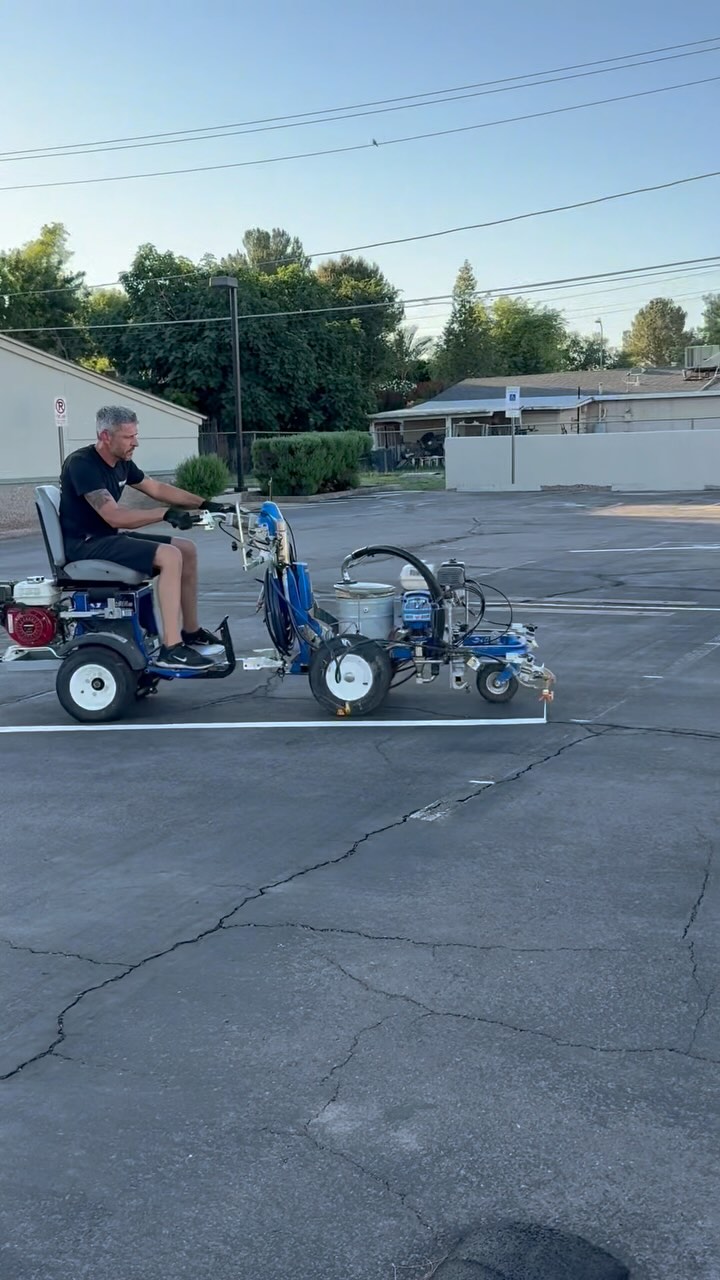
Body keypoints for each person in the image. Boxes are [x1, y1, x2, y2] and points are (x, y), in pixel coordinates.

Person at [59, 405, 227, 670]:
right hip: (85, 545)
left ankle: (190, 632)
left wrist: (206, 504)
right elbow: (113, 516)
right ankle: (171, 649)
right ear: (105, 436)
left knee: (187, 549)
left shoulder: (122, 463)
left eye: (135, 435)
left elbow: (157, 488)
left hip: (107, 538)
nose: (135, 442)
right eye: (128, 437)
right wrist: (164, 515)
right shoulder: (82, 464)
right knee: (170, 556)